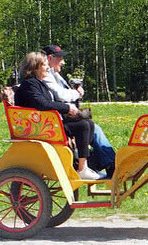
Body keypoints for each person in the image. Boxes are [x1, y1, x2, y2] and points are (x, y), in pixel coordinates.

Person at [15, 52, 104, 180]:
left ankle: (83, 163)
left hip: (44, 123)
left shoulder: (38, 83)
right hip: (39, 127)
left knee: (88, 123)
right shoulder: (30, 84)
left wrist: (69, 109)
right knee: (83, 125)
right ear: (35, 67)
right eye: (44, 64)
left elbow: (47, 103)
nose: (48, 68)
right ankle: (82, 168)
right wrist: (67, 108)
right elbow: (42, 104)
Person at [42, 45, 116, 177]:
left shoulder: (55, 75)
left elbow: (63, 94)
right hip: (57, 118)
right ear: (49, 58)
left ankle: (106, 164)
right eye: (60, 58)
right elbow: (61, 95)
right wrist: (76, 93)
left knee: (92, 125)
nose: (63, 62)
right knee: (91, 127)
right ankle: (107, 165)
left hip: (61, 114)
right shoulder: (46, 76)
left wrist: (75, 94)